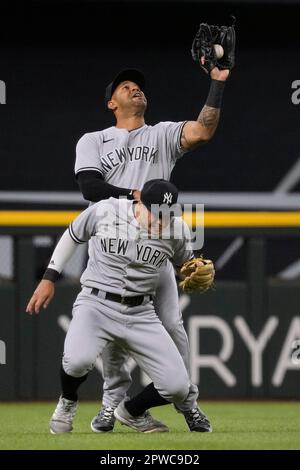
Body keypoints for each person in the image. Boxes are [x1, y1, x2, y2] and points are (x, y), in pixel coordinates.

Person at [74, 62, 229, 433]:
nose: (135, 89)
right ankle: (113, 406)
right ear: (111, 102)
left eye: (139, 86)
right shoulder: (93, 140)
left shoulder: (162, 135)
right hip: (109, 247)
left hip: (156, 248)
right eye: (126, 86)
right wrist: (137, 194)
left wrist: (217, 83)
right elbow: (90, 190)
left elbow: (204, 131)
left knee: (174, 327)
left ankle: (185, 402)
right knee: (112, 340)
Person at [26, 179, 213, 434]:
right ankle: (68, 401)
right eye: (155, 212)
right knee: (76, 362)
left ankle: (131, 411)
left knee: (178, 386)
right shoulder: (106, 211)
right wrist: (49, 278)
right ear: (139, 203)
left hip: (141, 313)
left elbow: (187, 266)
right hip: (96, 304)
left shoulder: (177, 230)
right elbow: (72, 235)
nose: (161, 220)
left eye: (166, 214)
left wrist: (193, 275)